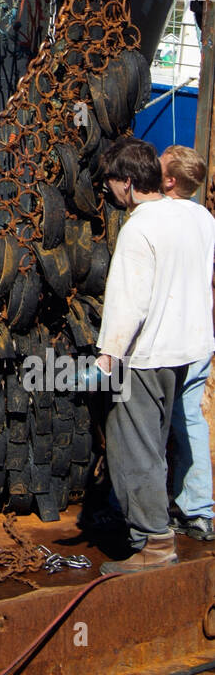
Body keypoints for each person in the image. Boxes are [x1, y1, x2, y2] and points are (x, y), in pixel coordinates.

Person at [94, 137, 215, 575]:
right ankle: (181, 514)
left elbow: (129, 305)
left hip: (146, 357)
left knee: (134, 448)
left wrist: (106, 360)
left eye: (111, 185)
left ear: (127, 183)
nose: (108, 193)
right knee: (160, 441)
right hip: (187, 350)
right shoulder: (194, 217)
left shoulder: (138, 229)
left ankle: (153, 544)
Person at [159, 145, 215, 541]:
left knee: (155, 421)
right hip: (201, 336)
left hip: (170, 339)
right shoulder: (205, 218)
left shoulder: (158, 216)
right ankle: (198, 507)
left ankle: (164, 508)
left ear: (169, 180)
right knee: (190, 417)